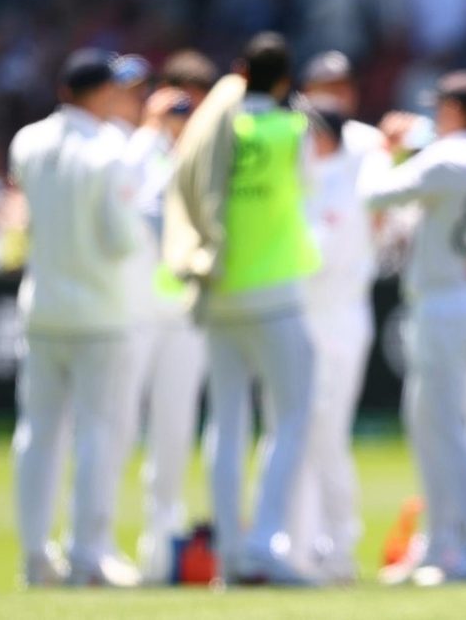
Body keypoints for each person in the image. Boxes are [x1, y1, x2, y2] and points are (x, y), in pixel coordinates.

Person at [162, 32, 317, 586]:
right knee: (291, 418)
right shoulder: (291, 128)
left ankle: (229, 550)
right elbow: (308, 188)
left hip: (220, 286)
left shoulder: (214, 125)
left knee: (226, 420)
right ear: (282, 80)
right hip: (274, 292)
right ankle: (263, 545)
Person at [358, 70, 466, 585]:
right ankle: (444, 544)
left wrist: (387, 147)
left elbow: (375, 194)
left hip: (443, 300)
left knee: (445, 427)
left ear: (455, 111)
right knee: (433, 423)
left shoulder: (449, 157)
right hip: (462, 295)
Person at [9, 48, 146, 587]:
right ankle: (88, 555)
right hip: (101, 312)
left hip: (43, 307)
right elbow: (120, 237)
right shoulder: (113, 151)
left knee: (38, 434)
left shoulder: (28, 140)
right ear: (104, 93)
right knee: (97, 434)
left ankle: (34, 556)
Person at [105, 51, 213, 584]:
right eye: (175, 99)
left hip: (183, 311)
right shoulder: (131, 149)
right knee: (117, 425)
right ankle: (94, 541)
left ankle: (159, 547)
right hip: (133, 310)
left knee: (174, 431)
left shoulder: (199, 154)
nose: (181, 113)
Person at [285, 50, 388, 583]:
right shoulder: (294, 159)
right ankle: (295, 547)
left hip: (340, 314)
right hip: (293, 314)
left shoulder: (363, 156)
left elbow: (362, 228)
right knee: (290, 434)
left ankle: (338, 546)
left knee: (326, 434)